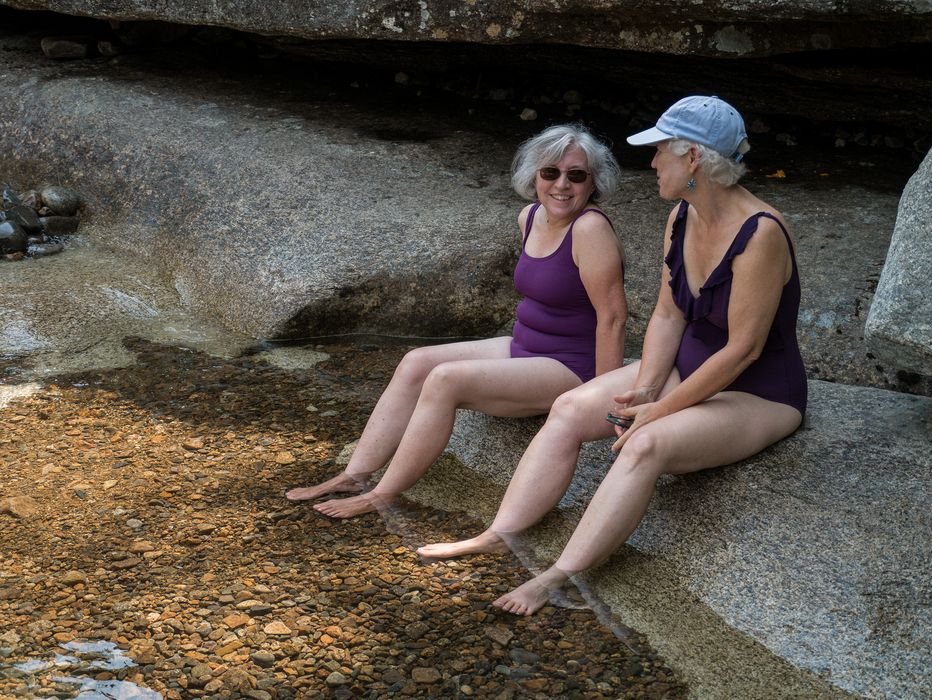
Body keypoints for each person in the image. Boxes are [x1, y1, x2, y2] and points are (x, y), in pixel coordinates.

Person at [417, 96, 807, 616]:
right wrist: (646, 385)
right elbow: (668, 316)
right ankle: (499, 533)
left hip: (757, 391)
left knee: (644, 444)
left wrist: (657, 410)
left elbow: (743, 351)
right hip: (687, 369)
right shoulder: (683, 215)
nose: (652, 163)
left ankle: (559, 573)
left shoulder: (761, 234)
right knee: (571, 408)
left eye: (660, 151)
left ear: (693, 159)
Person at [285, 123, 628, 518]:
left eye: (576, 175)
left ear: (592, 182)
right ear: (534, 176)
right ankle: (356, 474)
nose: (562, 185)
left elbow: (614, 317)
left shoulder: (590, 229)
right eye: (550, 172)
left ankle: (383, 493)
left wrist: (603, 398)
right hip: (526, 346)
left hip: (571, 367)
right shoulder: (529, 217)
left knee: (447, 380)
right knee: (416, 361)